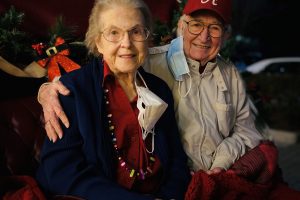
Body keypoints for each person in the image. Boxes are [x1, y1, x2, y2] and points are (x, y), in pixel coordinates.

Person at [39, 0, 264, 175]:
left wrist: (221, 164)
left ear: (225, 35)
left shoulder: (230, 73)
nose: (204, 37)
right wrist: (47, 89)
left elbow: (247, 129)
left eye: (214, 28)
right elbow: (107, 65)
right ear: (181, 26)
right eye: (196, 25)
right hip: (180, 179)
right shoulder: (150, 62)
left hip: (214, 175)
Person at [36, 0, 190, 199]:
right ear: (98, 42)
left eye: (136, 31)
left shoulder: (159, 89)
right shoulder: (70, 91)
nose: (126, 43)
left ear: (146, 38)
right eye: (114, 33)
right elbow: (61, 172)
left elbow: (176, 161)